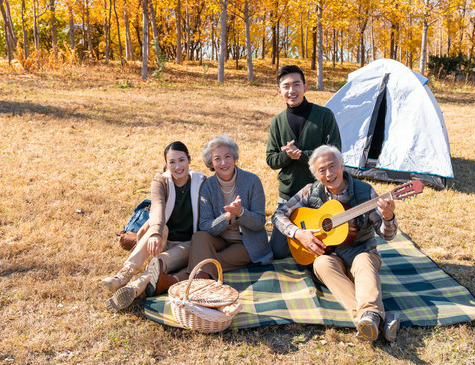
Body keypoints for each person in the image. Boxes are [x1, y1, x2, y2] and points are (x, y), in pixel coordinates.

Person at [273, 145, 400, 342]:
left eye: (333, 166)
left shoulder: (365, 192)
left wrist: (389, 218)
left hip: (361, 250)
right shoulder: (310, 191)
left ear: (342, 165)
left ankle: (368, 319)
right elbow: (279, 214)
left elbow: (387, 235)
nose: (329, 174)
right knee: (321, 264)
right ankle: (375, 319)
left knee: (365, 262)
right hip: (329, 255)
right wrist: (299, 234)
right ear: (316, 174)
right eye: (322, 170)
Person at [147, 135, 271, 292]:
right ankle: (191, 281)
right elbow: (205, 226)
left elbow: (259, 222)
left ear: (235, 157)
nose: (224, 162)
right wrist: (227, 217)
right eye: (217, 159)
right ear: (211, 163)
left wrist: (241, 212)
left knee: (207, 262)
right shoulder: (207, 185)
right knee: (199, 237)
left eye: (228, 157)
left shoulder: (252, 181)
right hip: (219, 239)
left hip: (246, 244)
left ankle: (173, 281)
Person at [100, 141, 205, 311]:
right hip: (163, 237)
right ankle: (124, 274)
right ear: (166, 164)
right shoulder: (161, 181)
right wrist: (156, 233)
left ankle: (134, 288)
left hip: (185, 244)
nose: (177, 166)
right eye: (172, 162)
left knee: (160, 262)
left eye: (181, 160)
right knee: (159, 228)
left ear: (189, 160)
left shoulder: (201, 182)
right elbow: (157, 208)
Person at [266, 65, 342, 259]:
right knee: (278, 251)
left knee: (324, 248)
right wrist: (287, 155)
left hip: (319, 194)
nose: (292, 91)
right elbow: (271, 159)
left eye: (296, 85)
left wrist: (301, 155)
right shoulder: (277, 122)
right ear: (279, 90)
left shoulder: (325, 116)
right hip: (289, 195)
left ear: (305, 87)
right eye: (286, 86)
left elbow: (336, 152)